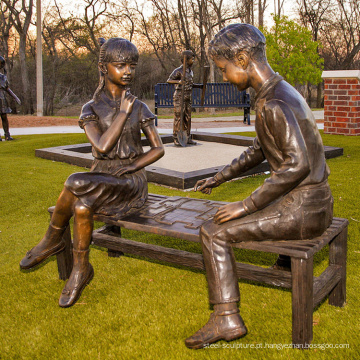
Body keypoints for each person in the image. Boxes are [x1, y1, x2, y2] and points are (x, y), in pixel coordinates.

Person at [185, 24, 333, 349]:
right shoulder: (279, 92)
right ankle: (283, 265)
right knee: (250, 208)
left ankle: (227, 318)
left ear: (241, 58)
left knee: (213, 232)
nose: (224, 77)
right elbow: (259, 150)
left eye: (224, 69)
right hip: (317, 202)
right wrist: (220, 176)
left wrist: (246, 205)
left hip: (304, 210)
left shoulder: (274, 103)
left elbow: (298, 164)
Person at [20, 38, 165, 308]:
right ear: (103, 67)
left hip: (129, 182)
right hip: (99, 178)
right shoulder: (90, 109)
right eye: (120, 65)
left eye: (132, 65)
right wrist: (122, 113)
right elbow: (101, 146)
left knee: (75, 181)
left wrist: (134, 165)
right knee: (83, 207)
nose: (128, 71)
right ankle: (81, 270)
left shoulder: (139, 107)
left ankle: (52, 239)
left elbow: (158, 149)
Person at [167, 50, 202, 146]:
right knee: (179, 117)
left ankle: (187, 137)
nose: (193, 61)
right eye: (192, 59)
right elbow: (169, 80)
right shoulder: (178, 70)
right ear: (186, 60)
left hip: (188, 97)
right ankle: (176, 138)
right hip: (179, 97)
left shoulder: (191, 72)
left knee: (187, 117)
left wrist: (199, 86)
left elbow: (189, 84)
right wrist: (178, 82)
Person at [0, 56, 19, 141]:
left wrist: (15, 97)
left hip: (2, 99)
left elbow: (7, 89)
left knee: (4, 117)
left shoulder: (3, 77)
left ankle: (7, 134)